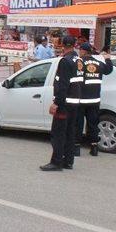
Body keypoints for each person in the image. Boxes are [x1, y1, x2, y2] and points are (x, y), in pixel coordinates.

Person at [40, 36, 84, 171]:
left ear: (63, 45)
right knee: (70, 133)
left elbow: (62, 85)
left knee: (58, 133)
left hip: (64, 104)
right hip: (75, 103)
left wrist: (56, 103)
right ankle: (68, 161)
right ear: (75, 44)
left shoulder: (65, 61)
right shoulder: (79, 60)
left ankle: (56, 162)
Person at [76, 43, 113, 157]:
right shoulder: (99, 63)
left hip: (81, 99)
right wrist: (108, 59)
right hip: (94, 100)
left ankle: (76, 148)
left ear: (83, 51)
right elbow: (108, 70)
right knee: (93, 124)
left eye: (80, 50)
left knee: (78, 124)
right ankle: (94, 147)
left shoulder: (80, 62)